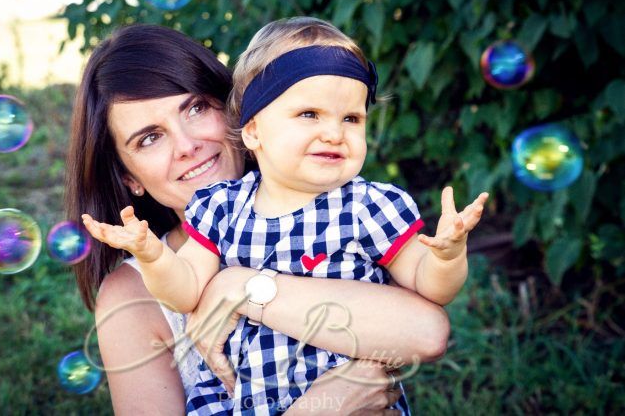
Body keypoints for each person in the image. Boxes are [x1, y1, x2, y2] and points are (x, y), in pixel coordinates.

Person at [69, 23, 452, 415]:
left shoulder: (337, 217)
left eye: (197, 108)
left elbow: (428, 333)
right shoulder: (133, 297)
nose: (187, 146)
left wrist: (242, 287)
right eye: (150, 137)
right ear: (129, 178)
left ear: (242, 112)